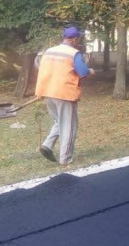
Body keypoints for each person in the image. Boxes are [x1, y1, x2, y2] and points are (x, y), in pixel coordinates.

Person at [35, 26, 95, 165]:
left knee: (59, 121)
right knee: (69, 125)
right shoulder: (74, 53)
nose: (78, 41)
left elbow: (43, 69)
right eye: (78, 38)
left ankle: (47, 145)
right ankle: (65, 158)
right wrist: (91, 71)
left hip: (47, 91)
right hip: (64, 93)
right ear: (75, 39)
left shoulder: (49, 51)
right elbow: (83, 72)